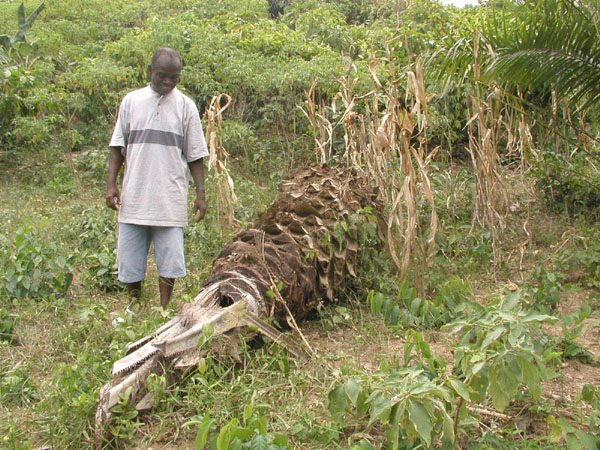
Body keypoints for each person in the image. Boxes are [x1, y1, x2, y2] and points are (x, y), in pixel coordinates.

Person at [105, 47, 208, 308]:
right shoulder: (131, 101)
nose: (168, 82)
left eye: (174, 77)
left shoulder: (186, 106)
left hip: (169, 197)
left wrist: (200, 194)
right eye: (162, 75)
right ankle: (134, 306)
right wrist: (111, 186)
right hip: (135, 196)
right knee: (129, 259)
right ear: (150, 71)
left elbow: (195, 156)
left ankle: (163, 309)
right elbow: (117, 148)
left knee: (170, 260)